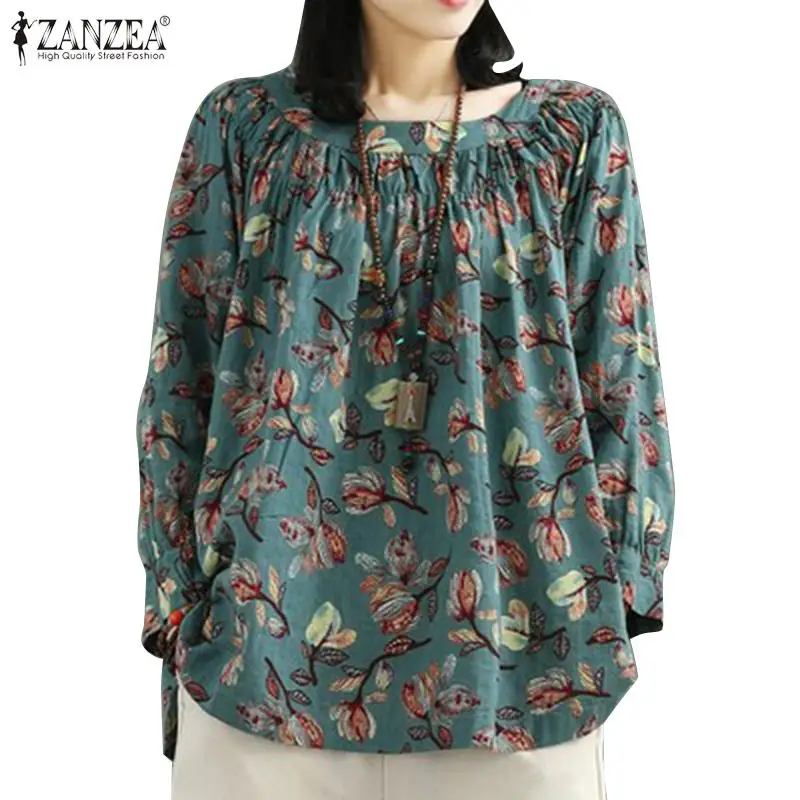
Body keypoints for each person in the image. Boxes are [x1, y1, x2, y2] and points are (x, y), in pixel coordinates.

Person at [135, 1, 675, 798]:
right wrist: (185, 600)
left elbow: (622, 381)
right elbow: (182, 380)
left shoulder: (573, 133)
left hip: (526, 675)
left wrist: (621, 588)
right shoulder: (245, 129)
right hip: (258, 670)